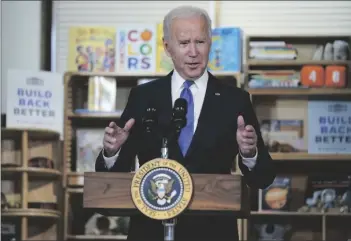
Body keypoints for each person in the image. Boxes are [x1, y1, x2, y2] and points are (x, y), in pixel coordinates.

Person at [95, 5, 276, 241]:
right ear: (167, 47)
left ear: (210, 43)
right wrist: (113, 151)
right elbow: (113, 174)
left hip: (213, 231)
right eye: (184, 43)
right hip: (151, 231)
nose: (193, 52)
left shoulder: (235, 100)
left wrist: (249, 153)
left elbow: (263, 178)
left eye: (200, 42)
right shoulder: (143, 96)